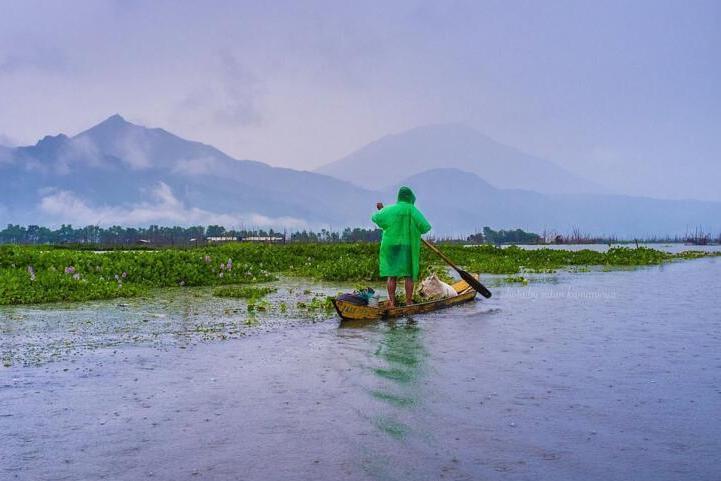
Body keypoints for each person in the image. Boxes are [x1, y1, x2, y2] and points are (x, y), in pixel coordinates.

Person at [372, 186, 431, 307]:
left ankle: (392, 303)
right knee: (408, 275)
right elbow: (425, 227)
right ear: (410, 198)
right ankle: (408, 302)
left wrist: (381, 210)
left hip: (391, 245)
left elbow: (376, 218)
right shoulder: (412, 210)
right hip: (407, 246)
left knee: (391, 275)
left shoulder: (390, 209)